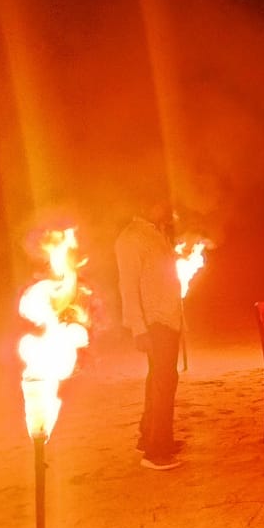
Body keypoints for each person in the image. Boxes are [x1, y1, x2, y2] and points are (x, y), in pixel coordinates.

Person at [116, 200, 184, 470]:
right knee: (163, 383)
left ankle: (149, 438)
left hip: (168, 320)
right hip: (155, 322)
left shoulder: (156, 233)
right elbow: (128, 287)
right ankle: (157, 452)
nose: (165, 209)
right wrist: (138, 328)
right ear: (146, 204)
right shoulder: (131, 238)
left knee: (160, 379)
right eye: (160, 204)